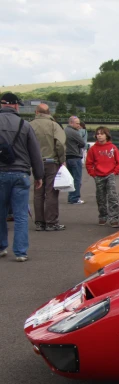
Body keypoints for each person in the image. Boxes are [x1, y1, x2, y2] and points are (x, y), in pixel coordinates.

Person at [0, 92, 44, 262]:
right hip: (20, 173)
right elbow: (35, 152)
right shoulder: (24, 125)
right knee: (20, 215)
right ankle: (20, 252)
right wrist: (39, 175)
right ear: (15, 105)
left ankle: (2, 246)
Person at [29, 103, 66, 232]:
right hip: (51, 162)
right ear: (49, 112)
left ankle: (39, 222)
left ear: (36, 112)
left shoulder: (30, 125)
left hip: (36, 162)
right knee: (51, 192)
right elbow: (60, 144)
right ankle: (51, 222)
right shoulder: (54, 125)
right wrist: (62, 160)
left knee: (38, 192)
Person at [85, 126, 119, 228]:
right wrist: (93, 173)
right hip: (98, 176)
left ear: (106, 135)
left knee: (112, 197)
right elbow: (88, 163)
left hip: (110, 175)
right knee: (100, 197)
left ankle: (114, 218)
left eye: (102, 134)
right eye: (98, 134)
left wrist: (115, 172)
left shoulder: (113, 147)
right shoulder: (93, 149)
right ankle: (103, 216)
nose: (99, 136)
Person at [64, 116, 85, 205]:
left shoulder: (64, 130)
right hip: (75, 157)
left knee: (71, 179)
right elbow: (82, 143)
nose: (79, 125)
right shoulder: (74, 132)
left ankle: (71, 197)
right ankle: (75, 198)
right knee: (76, 179)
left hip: (67, 157)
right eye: (77, 123)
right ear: (71, 123)